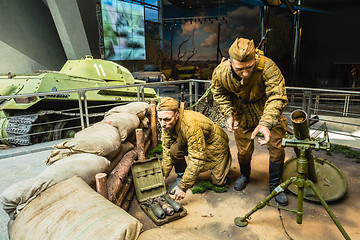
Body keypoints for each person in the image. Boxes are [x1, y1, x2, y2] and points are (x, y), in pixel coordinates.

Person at [211, 38, 289, 206]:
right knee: (244, 151)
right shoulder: (221, 73)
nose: (245, 73)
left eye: (249, 67)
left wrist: (266, 123)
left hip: (268, 112)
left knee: (276, 148)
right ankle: (245, 175)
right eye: (240, 69)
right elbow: (218, 93)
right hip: (242, 115)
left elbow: (277, 95)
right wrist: (229, 114)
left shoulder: (268, 67)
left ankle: (275, 185)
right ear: (231, 62)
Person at [157, 97, 232, 201]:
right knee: (174, 150)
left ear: (177, 115)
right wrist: (164, 174)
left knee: (218, 181)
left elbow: (197, 158)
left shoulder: (190, 126)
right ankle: (181, 175)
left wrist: (183, 186)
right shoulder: (167, 125)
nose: (162, 124)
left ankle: (225, 159)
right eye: (160, 119)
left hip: (216, 145)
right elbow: (167, 148)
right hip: (196, 141)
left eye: (166, 119)